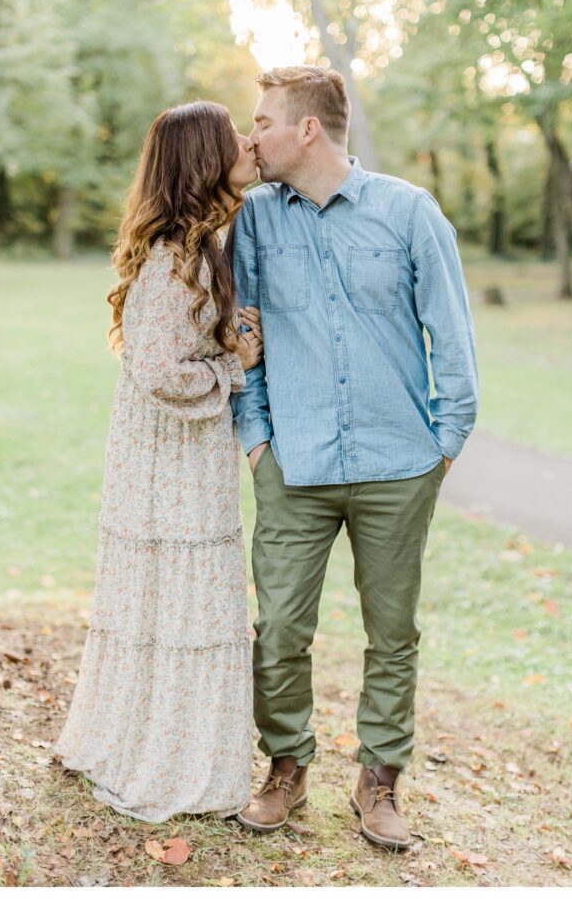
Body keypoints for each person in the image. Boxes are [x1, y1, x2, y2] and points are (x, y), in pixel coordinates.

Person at [226, 65, 478, 849]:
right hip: (293, 464)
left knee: (391, 632)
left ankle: (379, 782)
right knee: (279, 629)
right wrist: (258, 439)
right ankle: (286, 767)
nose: (251, 135)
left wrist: (442, 444)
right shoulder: (255, 221)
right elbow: (244, 342)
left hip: (398, 465)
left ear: (307, 129)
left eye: (263, 120)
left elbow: (452, 335)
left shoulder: (409, 212)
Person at [53, 101, 263, 822]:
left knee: (176, 600)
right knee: (183, 600)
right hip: (169, 459)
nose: (248, 140)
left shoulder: (201, 246)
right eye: (234, 134)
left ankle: (166, 740)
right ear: (205, 158)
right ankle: (166, 757)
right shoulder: (177, 256)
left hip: (180, 451)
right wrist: (232, 369)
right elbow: (154, 367)